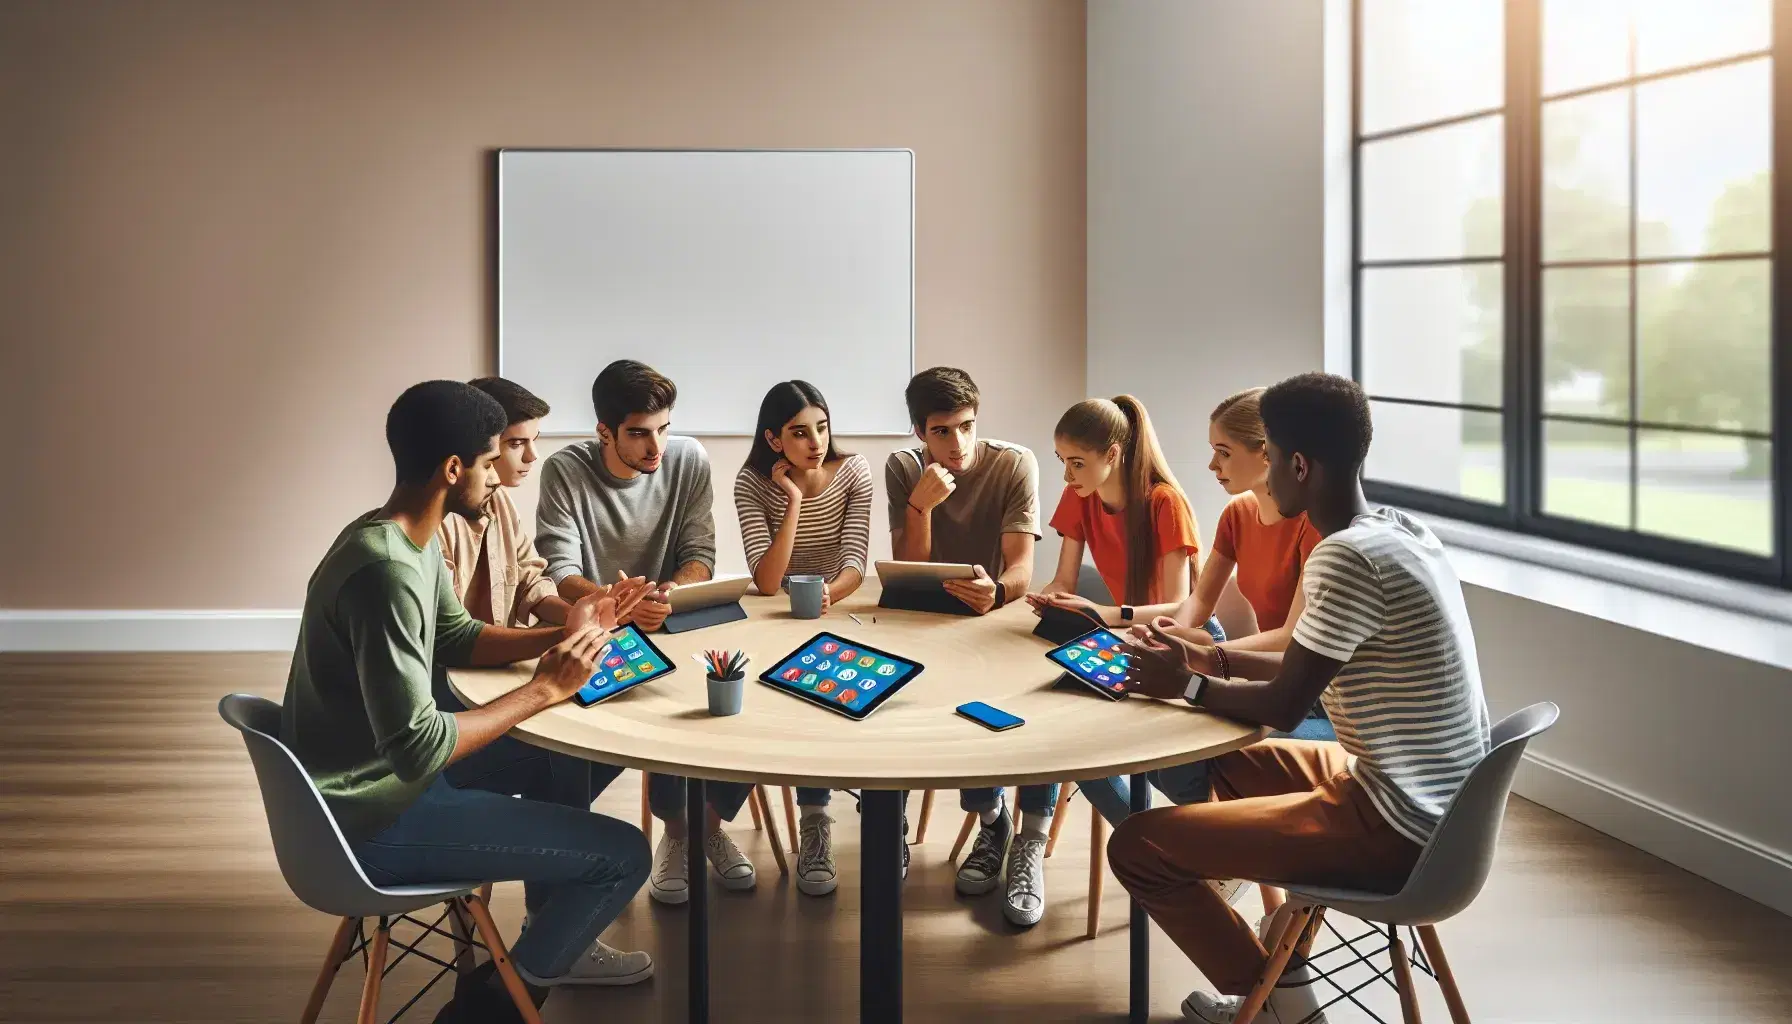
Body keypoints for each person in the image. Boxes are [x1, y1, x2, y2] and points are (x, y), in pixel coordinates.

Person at [1109, 373, 1492, 1024]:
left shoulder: (1342, 558)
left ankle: (1277, 1001)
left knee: (1137, 848)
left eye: (1271, 461)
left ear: (1296, 464)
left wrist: (1188, 684)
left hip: (1401, 825)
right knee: (1227, 761)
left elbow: (1285, 706)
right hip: (1437, 800)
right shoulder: (1400, 529)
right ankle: (1288, 961)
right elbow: (1299, 662)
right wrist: (1205, 657)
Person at [280, 380, 656, 1001]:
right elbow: (419, 750)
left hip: (373, 789)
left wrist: (569, 628)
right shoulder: (387, 573)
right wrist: (542, 690)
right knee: (625, 854)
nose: (499, 478)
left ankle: (550, 929)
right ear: (455, 469)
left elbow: (457, 636)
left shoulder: (396, 536)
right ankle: (493, 1010)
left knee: (571, 754)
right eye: (490, 462)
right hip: (375, 821)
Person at [534, 359, 757, 905]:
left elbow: (699, 555)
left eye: (663, 428)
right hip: (603, 627)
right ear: (604, 432)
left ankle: (700, 826)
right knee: (630, 724)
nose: (656, 446)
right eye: (638, 433)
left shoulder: (688, 458)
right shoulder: (565, 470)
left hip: (672, 615)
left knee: (738, 695)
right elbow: (559, 570)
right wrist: (617, 604)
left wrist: (665, 596)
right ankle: (674, 831)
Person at [1077, 388, 1330, 831]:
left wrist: (1208, 661)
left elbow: (1293, 636)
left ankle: (1186, 843)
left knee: (1175, 738)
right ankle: (1178, 842)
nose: (1212, 466)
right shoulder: (1237, 514)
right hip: (1265, 673)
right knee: (1107, 733)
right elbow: (1197, 600)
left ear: (1267, 454)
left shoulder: (1314, 527)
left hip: (1314, 699)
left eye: (1224, 453)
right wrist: (1164, 631)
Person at [432, 376, 629, 875]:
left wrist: (588, 614)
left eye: (532, 443)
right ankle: (559, 884)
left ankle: (551, 882)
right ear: (482, 447)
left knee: (601, 729)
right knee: (575, 751)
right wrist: (567, 636)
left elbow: (530, 584)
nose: (530, 458)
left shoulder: (498, 503)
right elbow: (456, 641)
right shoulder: (435, 524)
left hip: (490, 681)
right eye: (517, 444)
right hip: (451, 701)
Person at [884, 367, 1049, 926]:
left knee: (990, 706)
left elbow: (1024, 568)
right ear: (918, 432)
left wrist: (997, 590)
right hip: (919, 617)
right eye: (941, 432)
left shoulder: (1012, 462)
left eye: (966, 427)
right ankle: (893, 825)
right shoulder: (904, 468)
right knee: (891, 698)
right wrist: (920, 507)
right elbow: (908, 569)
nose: (957, 445)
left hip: (992, 615)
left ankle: (992, 820)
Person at [734, 380, 873, 898]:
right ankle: (814, 816)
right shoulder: (752, 482)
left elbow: (855, 564)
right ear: (774, 441)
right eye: (799, 433)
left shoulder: (854, 471)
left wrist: (822, 598)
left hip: (838, 608)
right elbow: (768, 581)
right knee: (792, 702)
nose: (816, 441)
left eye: (822, 427)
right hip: (777, 616)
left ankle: (857, 817)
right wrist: (791, 500)